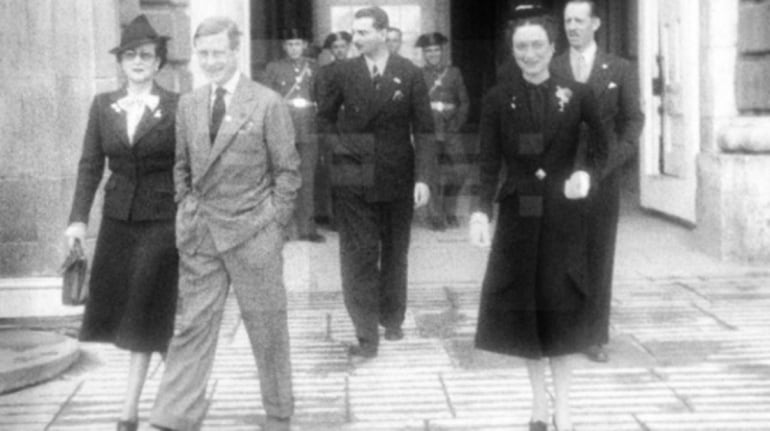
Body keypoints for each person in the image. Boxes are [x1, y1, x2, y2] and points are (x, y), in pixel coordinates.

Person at [149, 17, 300, 431]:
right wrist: (186, 210)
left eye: (218, 52)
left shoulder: (267, 102)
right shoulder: (189, 104)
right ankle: (174, 416)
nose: (211, 61)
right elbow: (181, 167)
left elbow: (288, 173)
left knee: (267, 328)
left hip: (254, 233)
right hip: (203, 235)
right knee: (193, 326)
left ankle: (278, 414)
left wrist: (272, 224)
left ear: (236, 52)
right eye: (204, 53)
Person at [468, 5, 607, 431]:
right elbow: (488, 162)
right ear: (512, 50)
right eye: (520, 47)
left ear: (553, 47)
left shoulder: (577, 94)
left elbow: (604, 147)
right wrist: (479, 211)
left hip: (564, 215)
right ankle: (538, 406)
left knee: (561, 309)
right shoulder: (497, 99)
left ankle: (563, 409)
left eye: (536, 45)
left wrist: (586, 174)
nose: (529, 54)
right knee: (526, 312)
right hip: (520, 215)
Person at [64, 15, 178, 431]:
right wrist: (77, 220)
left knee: (146, 312)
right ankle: (167, 390)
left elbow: (187, 168)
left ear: (159, 61)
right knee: (129, 313)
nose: (138, 61)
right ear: (121, 62)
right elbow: (90, 165)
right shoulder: (102, 105)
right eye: (130, 55)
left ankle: (135, 410)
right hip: (118, 222)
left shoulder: (178, 106)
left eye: (146, 55)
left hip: (164, 221)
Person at [316, 6, 435, 358]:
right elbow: (322, 118)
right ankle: (366, 334)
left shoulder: (409, 74)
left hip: (397, 174)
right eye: (355, 33)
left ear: (383, 33)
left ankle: (392, 317)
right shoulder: (343, 73)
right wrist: (338, 149)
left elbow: (424, 130)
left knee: (396, 251)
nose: (357, 39)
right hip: (352, 175)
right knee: (359, 254)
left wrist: (424, 178)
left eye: (364, 32)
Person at [551, 0, 645, 363]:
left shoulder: (620, 69)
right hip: (559, 175)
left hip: (602, 175)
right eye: (567, 21)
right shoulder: (552, 66)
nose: (572, 26)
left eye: (579, 20)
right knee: (558, 252)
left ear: (596, 23)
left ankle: (592, 334)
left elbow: (633, 122)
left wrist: (609, 164)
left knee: (597, 253)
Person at [265, 27, 324, 242]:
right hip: (283, 128)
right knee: (283, 180)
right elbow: (268, 100)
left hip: (308, 128)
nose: (294, 48)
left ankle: (307, 228)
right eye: (290, 44)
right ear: (284, 46)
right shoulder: (274, 68)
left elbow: (322, 99)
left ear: (305, 46)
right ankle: (282, 228)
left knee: (307, 179)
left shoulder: (315, 68)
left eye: (298, 44)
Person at [415, 32, 470, 230]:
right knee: (431, 174)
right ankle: (436, 216)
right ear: (424, 53)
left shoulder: (453, 73)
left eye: (436, 50)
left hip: (450, 129)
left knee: (461, 171)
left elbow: (464, 102)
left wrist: (455, 125)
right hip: (428, 130)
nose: (432, 54)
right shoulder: (418, 74)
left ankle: (449, 209)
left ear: (442, 51)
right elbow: (415, 105)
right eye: (428, 51)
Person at [314, 31, 353, 229]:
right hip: (333, 127)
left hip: (356, 128)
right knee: (334, 174)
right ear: (331, 50)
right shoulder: (323, 72)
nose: (339, 50)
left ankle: (354, 218)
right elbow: (322, 103)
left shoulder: (360, 69)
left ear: (349, 47)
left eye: (343, 46)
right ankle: (336, 218)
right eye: (335, 47)